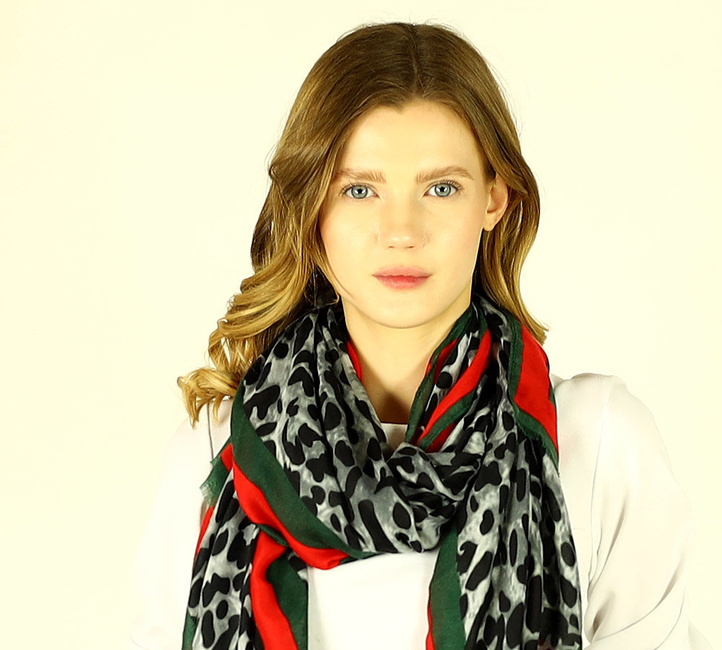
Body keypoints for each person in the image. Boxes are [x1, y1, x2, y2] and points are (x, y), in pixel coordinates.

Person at [129, 21, 710, 650]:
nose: (401, 230)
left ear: (494, 199)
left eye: (441, 188)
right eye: (359, 190)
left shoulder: (598, 443)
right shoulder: (222, 449)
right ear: (313, 208)